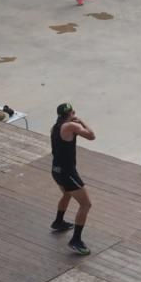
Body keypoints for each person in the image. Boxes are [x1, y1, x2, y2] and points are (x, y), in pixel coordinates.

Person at [50, 103, 95, 255]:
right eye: (73, 112)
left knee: (67, 194)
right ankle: (76, 240)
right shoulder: (71, 126)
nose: (74, 113)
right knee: (86, 204)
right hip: (68, 172)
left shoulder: (55, 127)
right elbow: (91, 136)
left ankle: (58, 221)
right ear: (69, 114)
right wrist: (80, 121)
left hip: (56, 169)